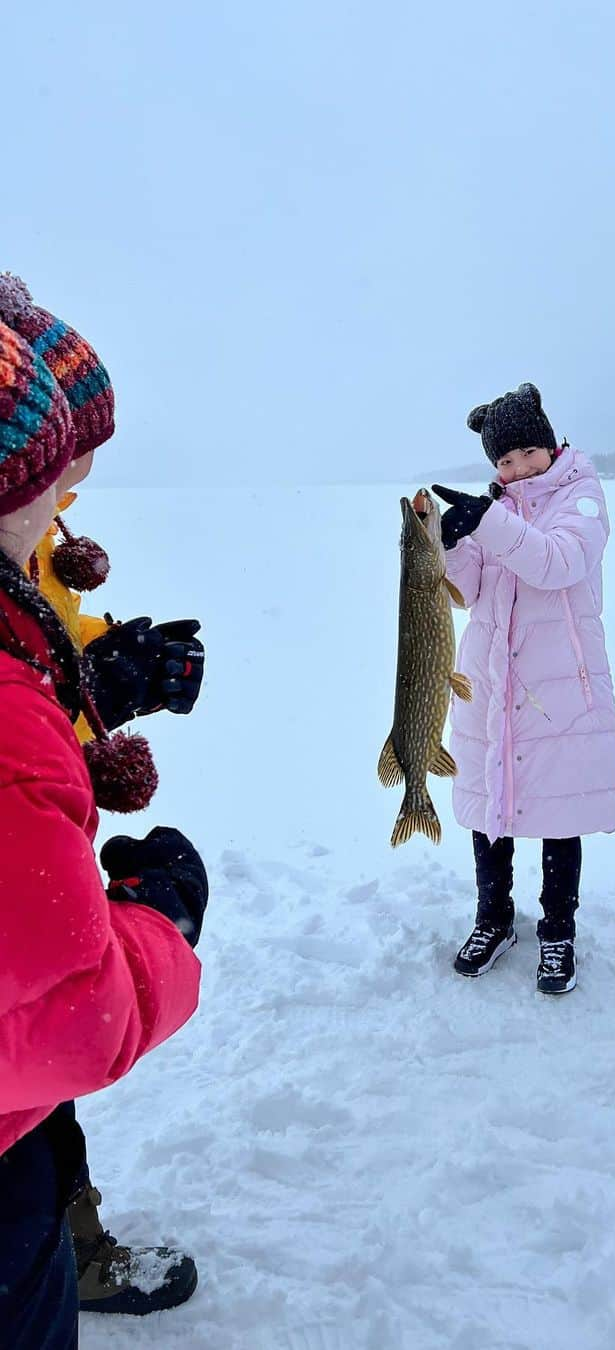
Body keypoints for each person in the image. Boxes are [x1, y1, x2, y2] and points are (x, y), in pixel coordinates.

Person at [0, 318, 206, 1347]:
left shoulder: (26, 548)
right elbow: (68, 1010)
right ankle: (65, 1249)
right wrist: (157, 923)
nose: (80, 468)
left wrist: (111, 678)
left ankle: (70, 1239)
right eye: (71, 444)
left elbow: (44, 668)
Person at [432, 382, 615, 995]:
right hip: (491, 682)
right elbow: (469, 592)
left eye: (525, 455)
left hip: (560, 688)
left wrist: (487, 523)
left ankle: (557, 930)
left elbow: (557, 562)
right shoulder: (501, 509)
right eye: (504, 461)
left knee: (558, 812)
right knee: (492, 806)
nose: (516, 469)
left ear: (549, 446)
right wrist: (449, 542)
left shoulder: (582, 499)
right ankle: (494, 919)